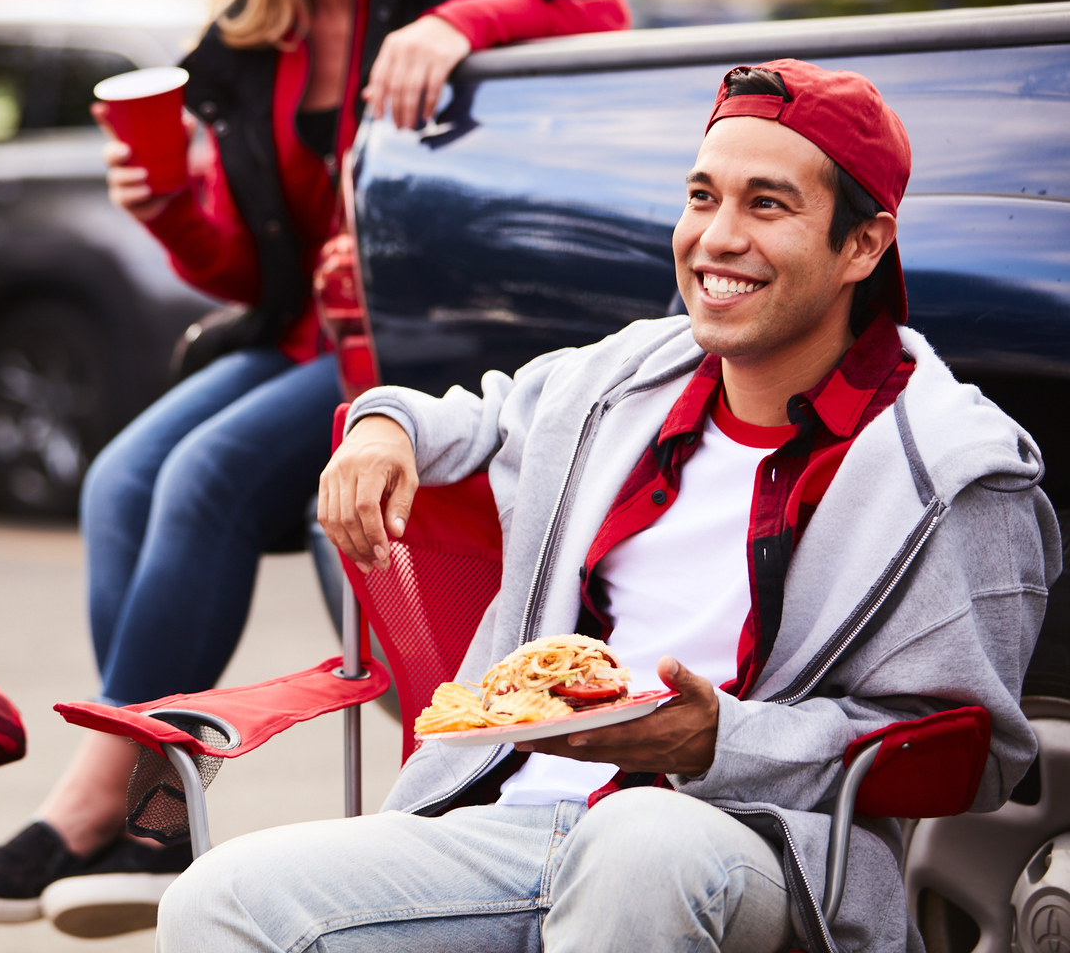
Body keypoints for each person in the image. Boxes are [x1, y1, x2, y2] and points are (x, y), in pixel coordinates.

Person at [156, 58, 1061, 952]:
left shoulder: (950, 470)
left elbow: (977, 755)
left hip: (751, 840)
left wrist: (722, 742)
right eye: (703, 197)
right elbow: (473, 418)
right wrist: (383, 428)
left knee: (636, 846)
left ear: (862, 245)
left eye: (767, 205)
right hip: (507, 817)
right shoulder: (623, 376)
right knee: (216, 899)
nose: (716, 239)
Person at [0, 0, 629, 937]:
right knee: (122, 476)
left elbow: (598, 8)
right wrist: (166, 207)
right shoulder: (246, 25)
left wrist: (462, 26)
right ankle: (155, 799)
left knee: (207, 478)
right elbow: (247, 272)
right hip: (304, 326)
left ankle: (119, 795)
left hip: (421, 333)